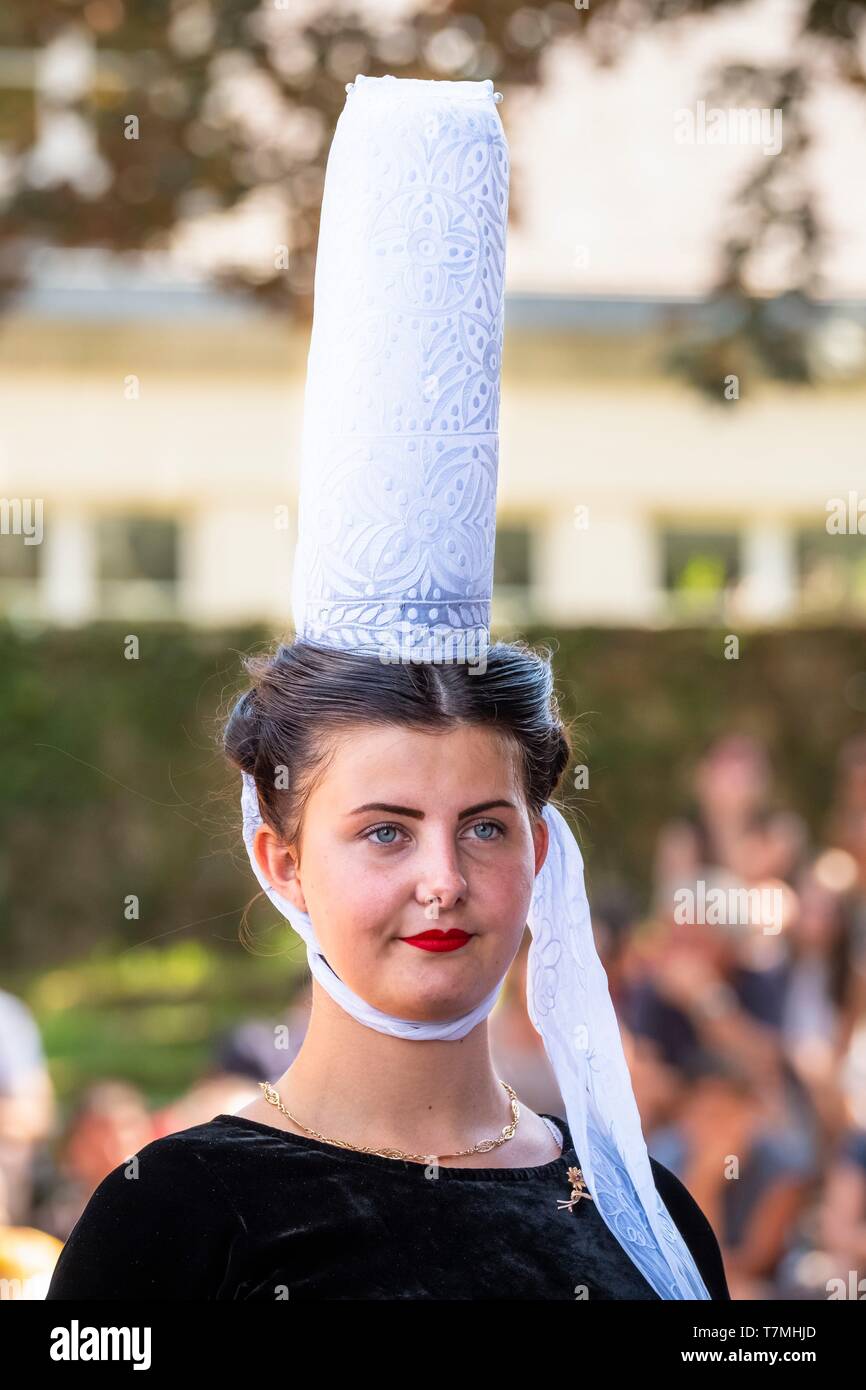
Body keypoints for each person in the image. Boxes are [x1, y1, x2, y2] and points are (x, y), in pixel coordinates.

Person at [46, 74, 729, 1301]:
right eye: (382, 828)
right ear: (281, 857)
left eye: (483, 825)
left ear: (540, 847)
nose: (442, 881)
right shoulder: (177, 1228)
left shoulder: (644, 1217)